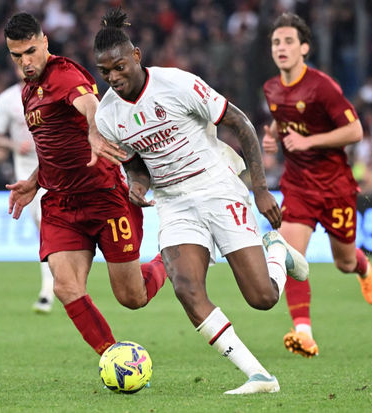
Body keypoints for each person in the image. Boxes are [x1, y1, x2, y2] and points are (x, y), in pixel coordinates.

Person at [93, 9, 308, 395]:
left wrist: (260, 189)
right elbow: (136, 163)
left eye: (119, 67)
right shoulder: (108, 115)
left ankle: (276, 251)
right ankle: (259, 376)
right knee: (186, 288)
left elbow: (240, 123)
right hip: (173, 203)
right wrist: (137, 185)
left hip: (217, 188)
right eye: (104, 71)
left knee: (262, 298)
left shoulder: (177, 84)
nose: (113, 77)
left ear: (136, 56)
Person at [3, 12, 167, 356]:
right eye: (17, 55)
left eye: (31, 51)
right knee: (65, 286)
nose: (25, 62)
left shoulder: (64, 74)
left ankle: (170, 260)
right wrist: (34, 181)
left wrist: (95, 130)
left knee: (132, 297)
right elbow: (57, 148)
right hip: (62, 204)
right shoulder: (28, 93)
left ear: (44, 41)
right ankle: (114, 357)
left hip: (103, 197)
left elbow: (91, 105)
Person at [261, 12, 372, 359]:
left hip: (335, 187)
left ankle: (362, 266)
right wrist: (272, 137)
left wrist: (309, 142)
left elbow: (355, 131)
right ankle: (304, 333)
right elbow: (282, 118)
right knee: (289, 255)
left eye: (288, 41)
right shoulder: (271, 88)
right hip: (298, 186)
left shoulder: (322, 87)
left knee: (343, 262)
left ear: (304, 48)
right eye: (276, 42)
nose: (281, 47)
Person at [0, 65, 55, 313]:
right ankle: (52, 286)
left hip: (56, 167)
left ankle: (49, 289)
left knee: (49, 225)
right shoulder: (7, 100)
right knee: (44, 228)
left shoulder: (53, 91)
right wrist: (14, 145)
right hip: (27, 173)